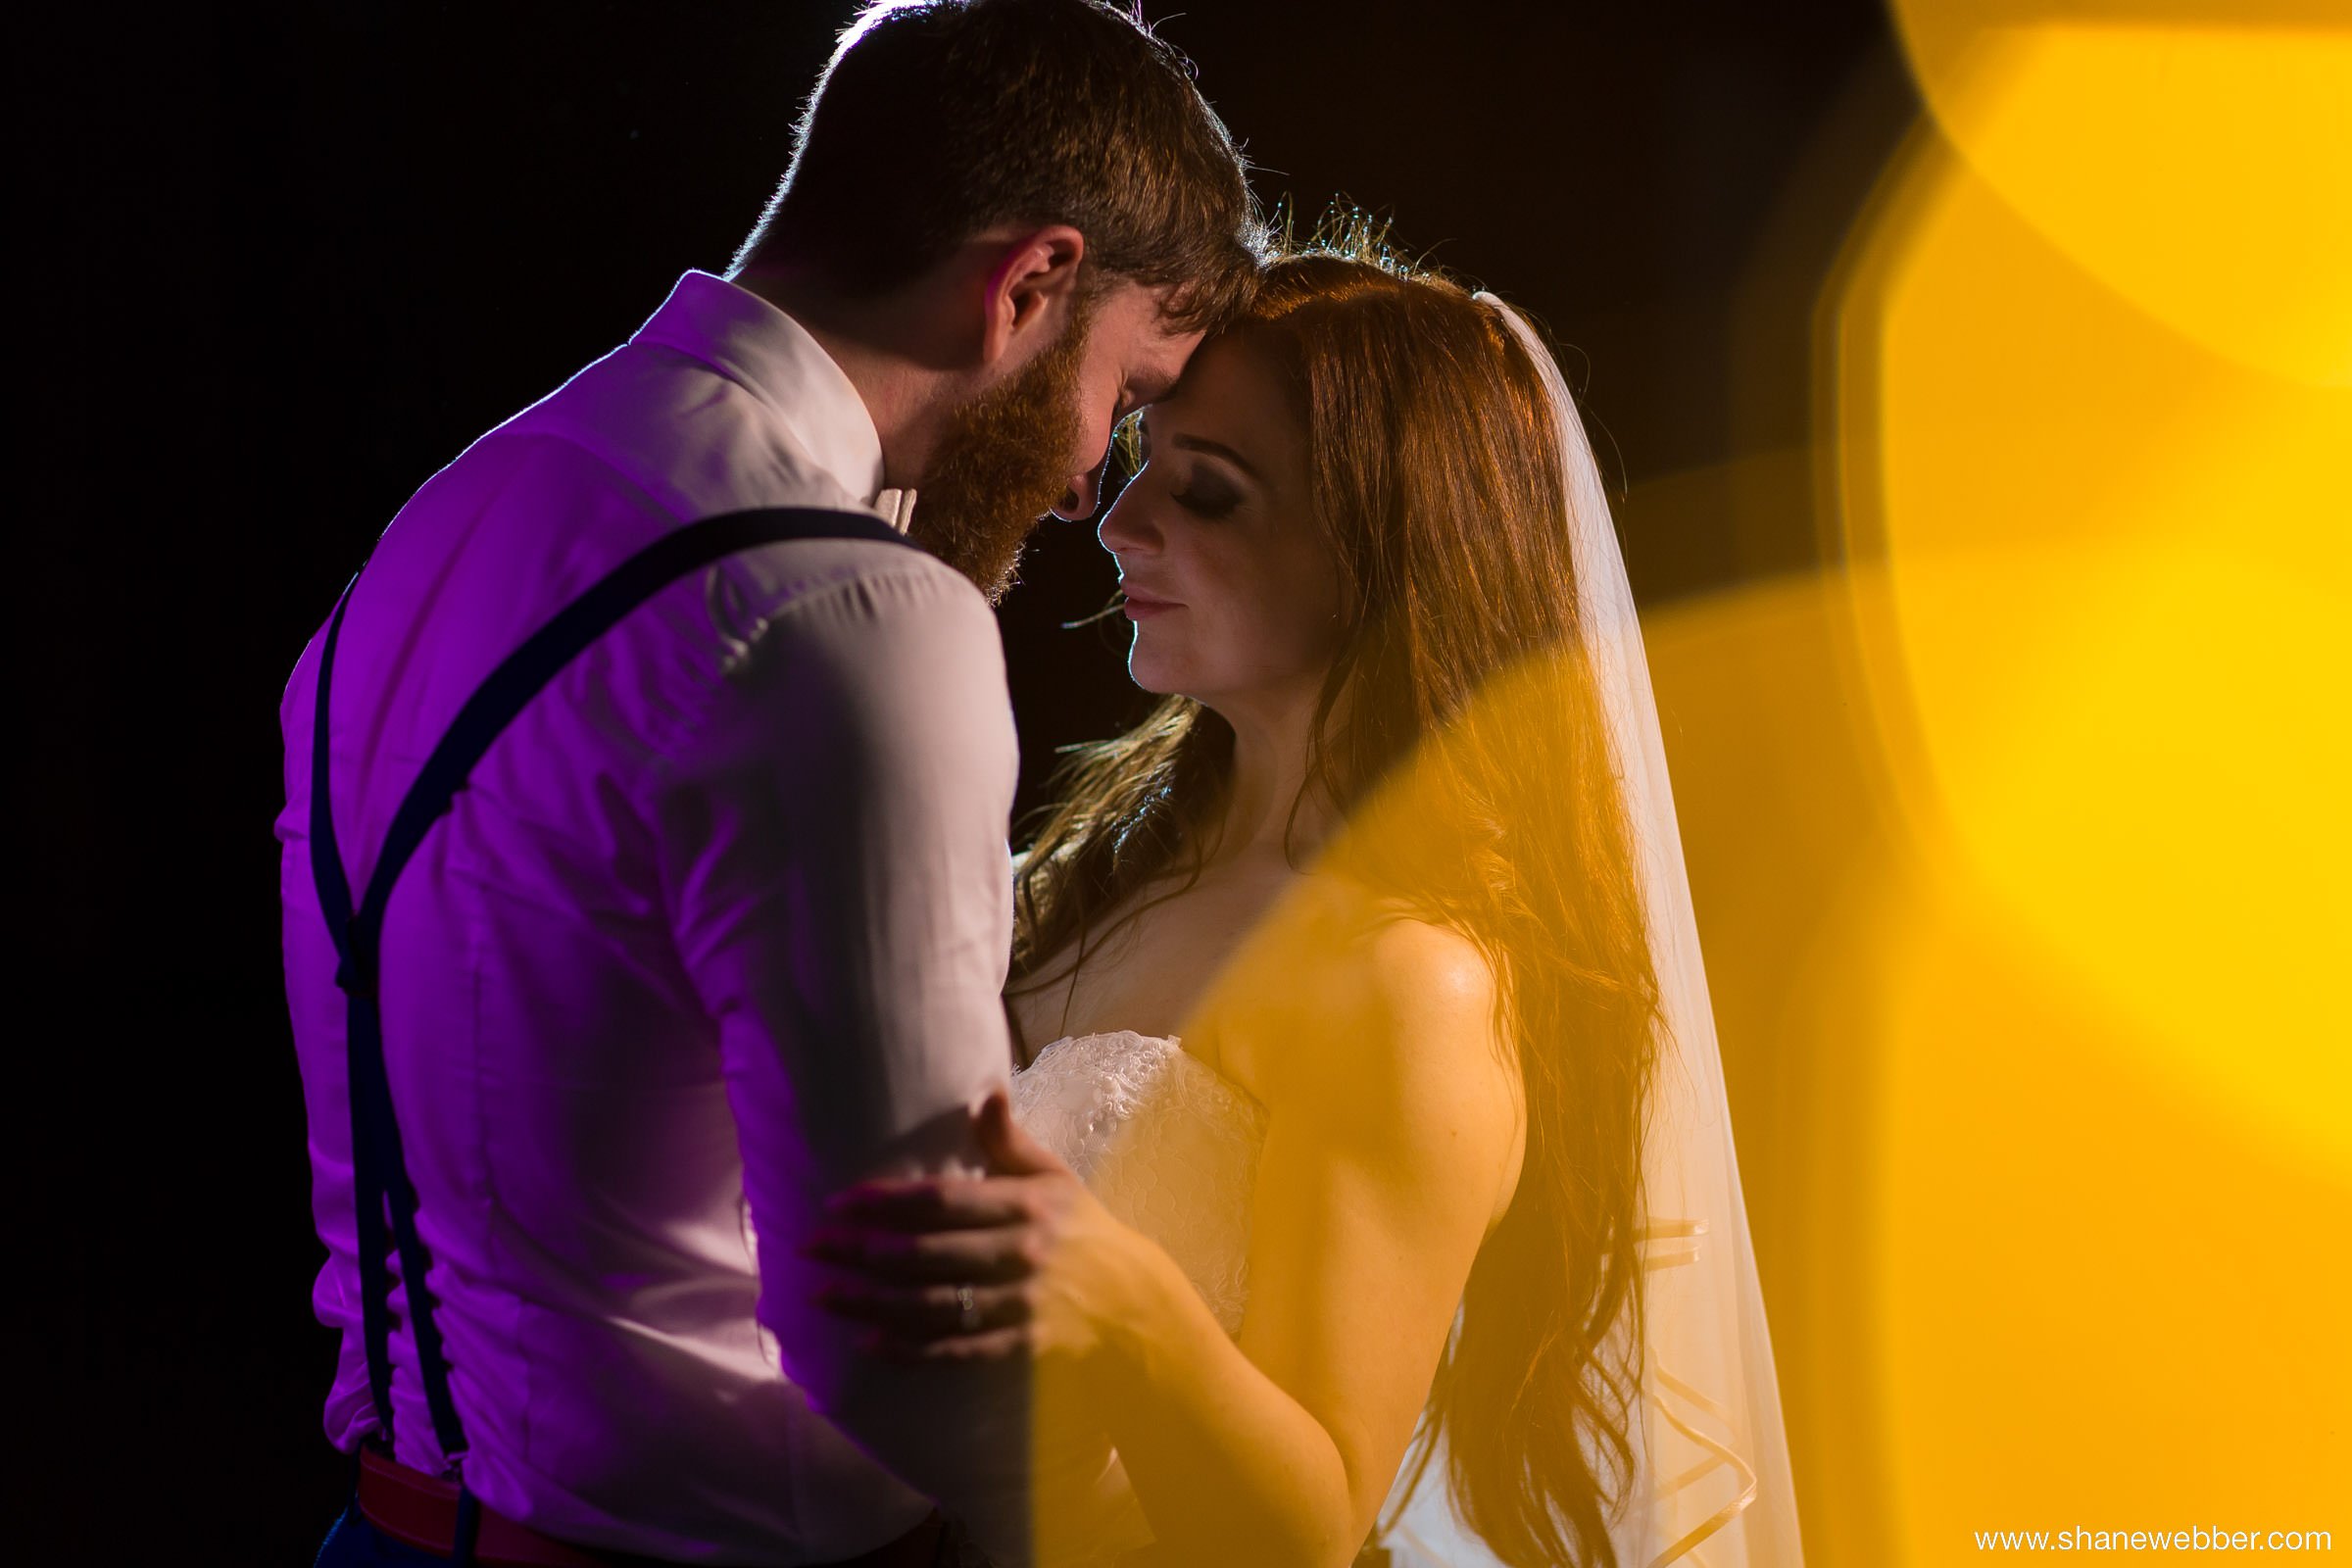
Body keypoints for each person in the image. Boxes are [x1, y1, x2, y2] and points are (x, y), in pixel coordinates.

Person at [278, 2, 1260, 1564]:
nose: (1091, 482)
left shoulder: (457, 511)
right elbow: (903, 1321)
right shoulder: (852, 616)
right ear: (1031, 283)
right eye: (1124, 398)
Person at [804, 239, 1806, 1567]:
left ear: (1384, 555)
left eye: (1207, 493)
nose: (1118, 522)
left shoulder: (1411, 979)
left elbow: (1311, 1526)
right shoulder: (1123, 850)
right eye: (1146, 459)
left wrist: (1129, 1312)